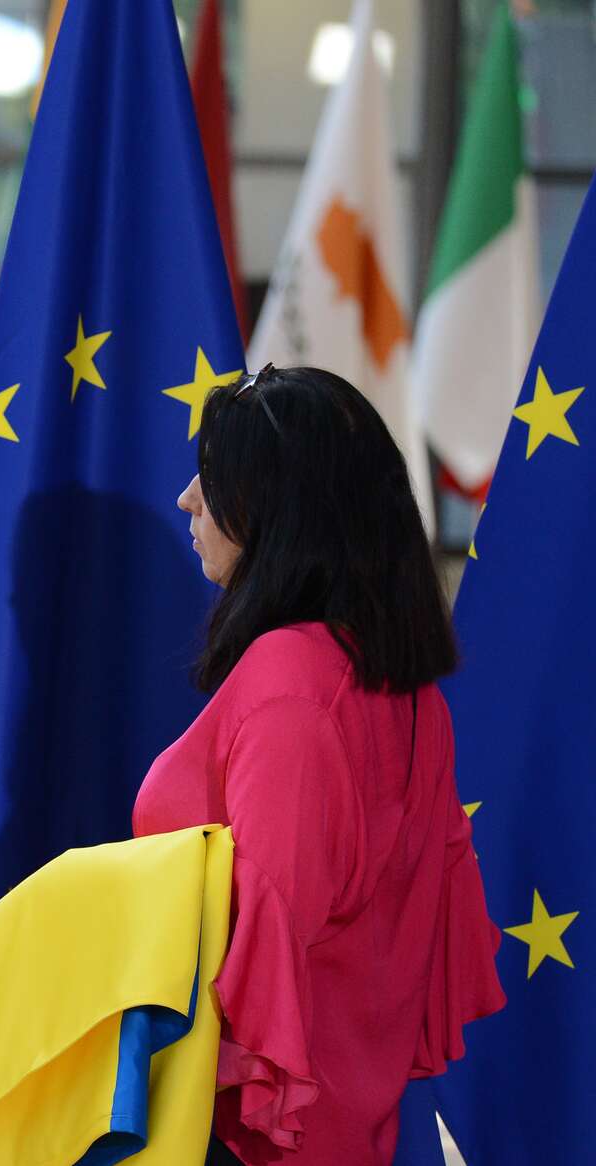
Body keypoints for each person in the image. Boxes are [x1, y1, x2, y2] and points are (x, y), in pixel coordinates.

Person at [133, 365, 505, 1166]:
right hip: (351, 1126)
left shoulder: (290, 686)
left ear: (279, 510)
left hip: (252, 1137)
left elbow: (264, 952)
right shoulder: (400, 683)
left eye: (212, 478)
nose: (187, 500)